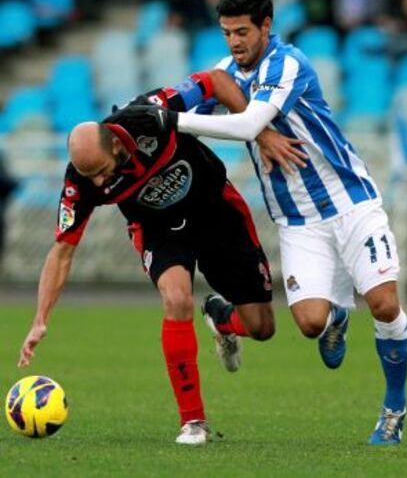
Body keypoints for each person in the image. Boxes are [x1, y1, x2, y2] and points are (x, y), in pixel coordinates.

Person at [132, 0, 407, 445]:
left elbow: (246, 123)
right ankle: (334, 317)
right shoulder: (225, 72)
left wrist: (173, 121)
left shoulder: (289, 63)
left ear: (266, 26)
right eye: (226, 33)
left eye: (242, 31)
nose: (234, 42)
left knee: (383, 303)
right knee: (309, 324)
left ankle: (393, 410)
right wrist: (142, 112)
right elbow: (184, 95)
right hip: (297, 221)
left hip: (350, 202)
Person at [17, 71, 284, 445]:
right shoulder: (81, 180)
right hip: (159, 230)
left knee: (262, 328)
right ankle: (193, 422)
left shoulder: (149, 113)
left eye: (99, 172)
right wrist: (40, 319)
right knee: (176, 299)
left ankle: (223, 318)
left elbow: (216, 80)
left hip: (215, 211)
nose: (97, 184)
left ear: (115, 145)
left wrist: (260, 132)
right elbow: (62, 251)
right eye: (87, 176)